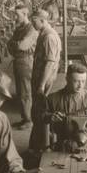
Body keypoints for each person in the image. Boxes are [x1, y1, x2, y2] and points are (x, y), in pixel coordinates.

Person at [43, 63, 87, 152]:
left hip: (86, 147)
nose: (80, 85)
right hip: (62, 147)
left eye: (83, 81)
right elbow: (39, 118)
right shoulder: (53, 98)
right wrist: (50, 116)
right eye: (76, 81)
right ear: (67, 79)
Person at [27, 9, 64, 151]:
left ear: (42, 20)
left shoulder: (49, 37)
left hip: (44, 80)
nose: (32, 23)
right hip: (41, 78)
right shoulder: (44, 34)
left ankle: (40, 146)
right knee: (38, 112)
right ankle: (38, 144)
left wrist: (41, 85)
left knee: (39, 113)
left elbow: (49, 62)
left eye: (34, 21)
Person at [8, 7, 37, 130]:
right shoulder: (20, 28)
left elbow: (22, 45)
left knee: (26, 91)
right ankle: (24, 118)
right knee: (20, 91)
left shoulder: (30, 29)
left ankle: (29, 120)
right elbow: (9, 44)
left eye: (17, 15)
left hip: (26, 61)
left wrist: (15, 44)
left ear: (25, 14)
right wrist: (14, 44)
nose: (15, 17)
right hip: (18, 60)